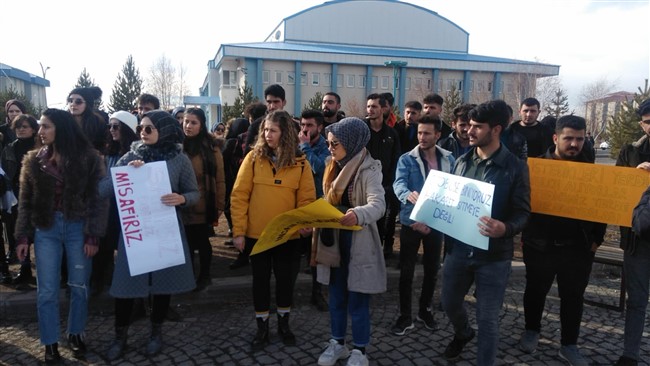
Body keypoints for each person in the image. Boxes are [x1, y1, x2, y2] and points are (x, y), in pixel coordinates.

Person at [103, 110, 199, 360]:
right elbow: (104, 189)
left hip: (165, 231)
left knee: (162, 285)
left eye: (148, 129)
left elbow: (194, 193)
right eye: (141, 129)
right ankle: (119, 336)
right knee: (126, 285)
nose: (142, 133)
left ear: (164, 130)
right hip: (134, 234)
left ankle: (156, 332)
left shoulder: (179, 159)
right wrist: (125, 174)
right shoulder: (130, 156)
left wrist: (182, 198)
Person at [15, 108, 108, 364]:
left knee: (79, 285)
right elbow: (26, 202)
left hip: (79, 227)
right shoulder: (33, 160)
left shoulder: (89, 158)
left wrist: (93, 235)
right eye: (40, 127)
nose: (40, 131)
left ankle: (76, 333)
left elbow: (98, 200)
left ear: (61, 128)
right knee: (46, 290)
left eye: (46, 126)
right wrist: (22, 237)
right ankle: (50, 342)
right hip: (46, 229)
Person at [441, 100, 530, 365]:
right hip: (457, 252)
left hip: (494, 257)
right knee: (449, 304)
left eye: (478, 127)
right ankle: (463, 333)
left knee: (488, 320)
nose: (470, 131)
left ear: (496, 129)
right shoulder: (461, 161)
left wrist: (505, 228)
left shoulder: (515, 167)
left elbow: (524, 213)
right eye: (469, 125)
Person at [517, 115, 606, 365]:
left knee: (573, 297)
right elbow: (522, 204)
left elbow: (602, 207)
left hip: (578, 248)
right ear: (556, 138)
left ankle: (569, 345)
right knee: (535, 291)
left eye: (579, 139)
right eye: (568, 138)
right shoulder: (535, 167)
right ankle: (531, 331)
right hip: (540, 245)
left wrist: (596, 239)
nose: (574, 144)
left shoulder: (591, 171)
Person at [230, 110, 316, 351]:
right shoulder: (252, 159)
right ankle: (262, 328)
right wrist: (238, 232)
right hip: (257, 237)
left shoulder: (301, 163)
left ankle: (284, 324)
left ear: (285, 133)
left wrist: (304, 225)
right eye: (265, 130)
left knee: (286, 283)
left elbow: (307, 199)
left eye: (273, 130)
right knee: (260, 283)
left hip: (287, 237)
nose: (268, 134)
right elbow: (239, 196)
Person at [314, 117, 386, 366]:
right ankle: (337, 343)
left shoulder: (370, 168)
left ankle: (360, 350)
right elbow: (326, 198)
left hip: (359, 239)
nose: (330, 148)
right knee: (336, 295)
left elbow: (379, 205)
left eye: (335, 144)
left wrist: (358, 213)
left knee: (357, 297)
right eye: (328, 143)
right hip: (333, 240)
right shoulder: (331, 165)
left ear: (351, 143)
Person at [391, 115, 454, 336]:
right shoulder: (407, 159)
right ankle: (405, 315)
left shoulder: (449, 160)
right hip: (412, 223)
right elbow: (398, 183)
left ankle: (425, 310)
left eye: (427, 133)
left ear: (438, 135)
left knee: (432, 270)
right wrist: (408, 195)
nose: (422, 137)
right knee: (407, 272)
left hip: (436, 223)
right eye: (419, 132)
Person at [615, 99, 650, 366]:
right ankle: (630, 355)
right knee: (636, 300)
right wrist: (633, 176)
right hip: (638, 241)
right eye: (649, 121)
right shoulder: (630, 152)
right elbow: (614, 190)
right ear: (642, 124)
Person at [90, 111, 139, 297]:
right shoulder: (108, 153)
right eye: (109, 126)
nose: (111, 130)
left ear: (126, 128)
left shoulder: (135, 154)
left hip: (129, 208)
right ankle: (100, 281)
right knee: (104, 247)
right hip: (108, 208)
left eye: (116, 126)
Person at [181, 107, 225, 292]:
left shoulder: (211, 148)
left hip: (202, 204)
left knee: (202, 241)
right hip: (181, 204)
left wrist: (220, 204)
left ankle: (204, 275)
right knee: (186, 244)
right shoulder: (177, 146)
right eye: (186, 121)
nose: (188, 126)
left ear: (201, 125)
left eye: (193, 122)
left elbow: (220, 178)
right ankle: (188, 277)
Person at [1, 113, 40, 288]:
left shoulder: (41, 147)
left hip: (38, 194)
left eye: (25, 126)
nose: (21, 129)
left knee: (39, 233)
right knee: (20, 232)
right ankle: (24, 270)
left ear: (33, 129)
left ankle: (43, 271)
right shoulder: (9, 148)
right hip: (16, 194)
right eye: (18, 127)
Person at [298, 109, 330, 311]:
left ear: (319, 127)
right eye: (302, 125)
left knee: (316, 253)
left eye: (309, 125)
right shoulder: (296, 144)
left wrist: (304, 148)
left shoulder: (326, 146)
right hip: (299, 202)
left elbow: (320, 168)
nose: (305, 129)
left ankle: (316, 294)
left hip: (318, 203)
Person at [364, 93, 401, 258]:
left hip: (383, 188)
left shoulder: (391, 134)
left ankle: (377, 256)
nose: (370, 110)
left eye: (374, 106)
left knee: (379, 224)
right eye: (368, 106)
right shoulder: (361, 130)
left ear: (383, 109)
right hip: (362, 187)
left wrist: (389, 185)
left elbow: (395, 160)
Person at [67, 86, 108, 153]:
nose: (73, 104)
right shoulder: (63, 122)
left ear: (88, 103)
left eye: (78, 101)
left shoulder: (98, 122)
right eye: (70, 101)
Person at [245, 84, 287, 152]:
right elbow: (248, 154)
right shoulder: (256, 126)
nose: (272, 106)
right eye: (269, 102)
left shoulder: (293, 125)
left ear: (284, 102)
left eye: (276, 102)